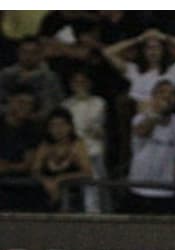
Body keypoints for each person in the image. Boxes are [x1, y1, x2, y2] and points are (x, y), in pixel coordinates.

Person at [125, 79, 175, 214]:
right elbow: (142, 131)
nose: (167, 96)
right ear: (153, 97)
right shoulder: (140, 118)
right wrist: (157, 113)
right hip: (139, 190)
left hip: (167, 192)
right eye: (162, 93)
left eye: (171, 94)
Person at [102, 27, 175, 114]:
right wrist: (139, 39)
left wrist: (164, 37)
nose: (153, 51)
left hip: (166, 120)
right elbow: (108, 52)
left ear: (163, 51)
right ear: (143, 52)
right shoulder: (134, 71)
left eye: (157, 48)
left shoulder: (173, 71)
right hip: (138, 122)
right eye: (149, 48)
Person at [62, 68, 108, 213]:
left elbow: (94, 127)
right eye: (76, 82)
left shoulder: (99, 102)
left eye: (83, 82)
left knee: (94, 188)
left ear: (89, 84)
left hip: (93, 151)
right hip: (71, 151)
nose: (80, 85)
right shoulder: (65, 105)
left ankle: (94, 216)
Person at [30, 107, 92, 211]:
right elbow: (35, 170)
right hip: (46, 200)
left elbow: (87, 172)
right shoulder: (45, 146)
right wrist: (45, 181)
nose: (58, 129)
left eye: (62, 125)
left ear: (70, 127)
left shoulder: (77, 145)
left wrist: (60, 179)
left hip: (72, 202)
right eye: (53, 125)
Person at [0, 36, 66, 122]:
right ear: (18, 53)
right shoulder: (5, 75)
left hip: (40, 125)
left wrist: (33, 117)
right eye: (24, 52)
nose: (28, 56)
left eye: (33, 52)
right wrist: (12, 113)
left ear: (41, 54)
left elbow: (55, 106)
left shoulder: (50, 78)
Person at [0, 86, 44, 212]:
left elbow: (28, 163)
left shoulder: (33, 131)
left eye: (29, 104)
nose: (24, 107)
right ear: (10, 101)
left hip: (22, 186)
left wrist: (7, 167)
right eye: (21, 102)